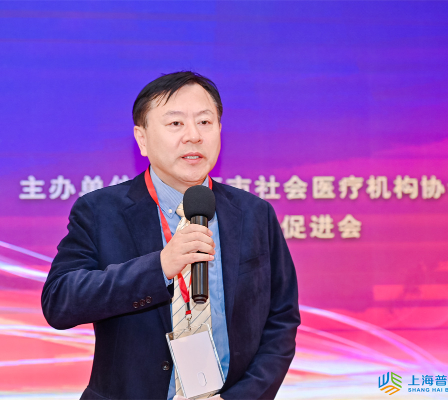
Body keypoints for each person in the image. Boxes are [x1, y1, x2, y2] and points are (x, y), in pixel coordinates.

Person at [41, 71, 300, 400]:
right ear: (142, 138)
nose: (193, 136)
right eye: (176, 123)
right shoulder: (99, 211)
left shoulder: (254, 213)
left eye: (204, 122)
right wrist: (160, 267)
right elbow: (60, 302)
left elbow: (281, 319)